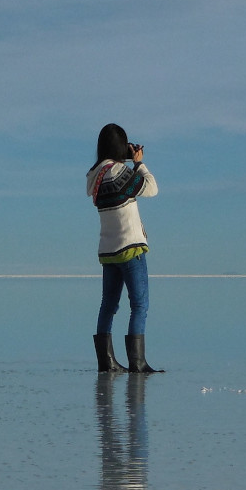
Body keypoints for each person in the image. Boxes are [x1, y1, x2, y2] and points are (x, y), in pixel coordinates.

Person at [87, 123, 163, 373]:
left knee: (107, 304)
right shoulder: (119, 172)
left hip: (108, 251)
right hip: (130, 247)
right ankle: (137, 362)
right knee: (139, 305)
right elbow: (151, 188)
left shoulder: (95, 175)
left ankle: (106, 361)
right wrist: (139, 163)